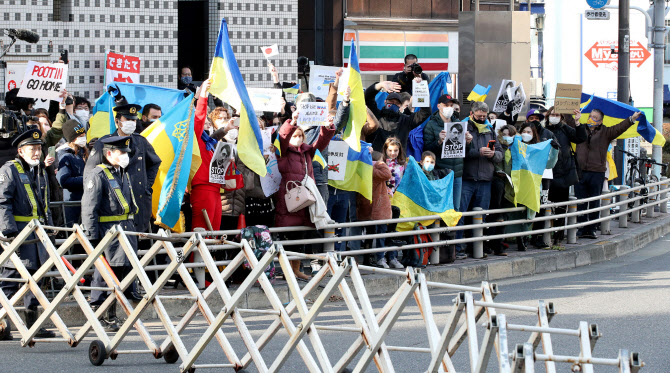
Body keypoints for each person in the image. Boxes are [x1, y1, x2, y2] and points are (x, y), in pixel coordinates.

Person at [0, 128, 56, 339]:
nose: (37, 153)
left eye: (39, 149)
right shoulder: (9, 170)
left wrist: (49, 229)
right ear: (20, 150)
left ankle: (34, 324)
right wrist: (9, 233)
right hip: (19, 233)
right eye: (32, 149)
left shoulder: (39, 170)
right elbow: (2, 202)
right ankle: (2, 323)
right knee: (12, 278)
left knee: (36, 278)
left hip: (38, 233)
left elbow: (44, 204)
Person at [82, 136, 139, 331]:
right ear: (108, 154)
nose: (125, 156)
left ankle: (112, 314)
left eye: (126, 152)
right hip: (108, 232)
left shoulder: (121, 172)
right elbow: (89, 208)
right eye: (121, 152)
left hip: (124, 230)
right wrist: (91, 237)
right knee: (105, 273)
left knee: (120, 272)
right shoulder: (98, 174)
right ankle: (99, 311)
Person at [85, 97, 161, 237]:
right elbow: (90, 174)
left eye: (133, 120)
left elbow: (155, 162)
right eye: (127, 120)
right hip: (113, 210)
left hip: (138, 204)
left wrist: (146, 186)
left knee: (139, 249)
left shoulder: (140, 141)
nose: (131, 123)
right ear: (117, 121)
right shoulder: (104, 143)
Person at [275, 110, 335, 280]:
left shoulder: (308, 151)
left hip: (306, 200)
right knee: (289, 237)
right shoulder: (284, 151)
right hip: (289, 200)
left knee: (301, 237)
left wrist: (328, 126)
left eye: (300, 135)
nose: (298, 138)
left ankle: (296, 270)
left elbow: (322, 141)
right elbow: (283, 137)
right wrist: (292, 122)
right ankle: (287, 271)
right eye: (295, 135)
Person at [575, 108, 641, 239]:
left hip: (597, 172)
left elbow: (619, 128)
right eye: (590, 116)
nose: (591, 119)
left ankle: (592, 228)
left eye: (594, 117)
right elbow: (569, 123)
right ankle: (581, 228)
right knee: (581, 201)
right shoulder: (581, 129)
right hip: (580, 171)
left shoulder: (606, 132)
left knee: (594, 201)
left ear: (600, 121)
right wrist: (575, 119)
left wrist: (632, 119)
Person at [455, 101, 503, 259]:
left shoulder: (490, 130)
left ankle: (477, 247)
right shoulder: (463, 128)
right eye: (479, 116)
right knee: (461, 214)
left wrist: (493, 155)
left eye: (484, 116)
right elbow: (457, 151)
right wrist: (477, 152)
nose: (482, 119)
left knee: (480, 216)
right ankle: (458, 247)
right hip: (467, 177)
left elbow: (500, 153)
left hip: (485, 179)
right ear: (472, 114)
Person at [503, 124, 559, 251]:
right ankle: (518, 237)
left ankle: (525, 236)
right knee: (516, 212)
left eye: (529, 132)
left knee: (529, 212)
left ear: (534, 134)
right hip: (517, 182)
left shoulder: (538, 149)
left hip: (532, 185)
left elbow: (549, 164)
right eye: (523, 131)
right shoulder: (515, 146)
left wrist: (554, 151)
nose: (525, 134)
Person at [545, 107, 587, 245]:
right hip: (546, 173)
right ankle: (541, 236)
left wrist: (577, 122)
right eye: (552, 114)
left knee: (561, 206)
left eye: (557, 115)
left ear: (561, 117)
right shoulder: (543, 129)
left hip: (563, 173)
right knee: (544, 206)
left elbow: (581, 138)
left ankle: (558, 235)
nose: (554, 117)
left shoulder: (565, 129)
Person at [364, 80, 431, 152]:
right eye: (391, 101)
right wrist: (380, 85)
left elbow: (425, 112)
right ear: (385, 102)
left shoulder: (406, 121)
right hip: (376, 161)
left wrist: (420, 88)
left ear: (400, 106)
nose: (393, 104)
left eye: (397, 103)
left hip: (397, 161)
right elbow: (368, 98)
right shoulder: (376, 115)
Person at [423, 95, 464, 210]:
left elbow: (465, 151)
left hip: (457, 174)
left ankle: (453, 229)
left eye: (451, 106)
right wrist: (439, 142)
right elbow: (427, 150)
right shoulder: (431, 125)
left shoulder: (458, 123)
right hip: (441, 173)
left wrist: (469, 142)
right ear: (439, 106)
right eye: (446, 105)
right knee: (440, 208)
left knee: (455, 208)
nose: (449, 108)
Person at [357, 151, 393, 268]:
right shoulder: (378, 170)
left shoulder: (366, 169)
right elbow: (388, 174)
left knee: (370, 233)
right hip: (378, 205)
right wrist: (380, 164)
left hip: (368, 204)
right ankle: (378, 258)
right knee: (379, 232)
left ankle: (369, 258)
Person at [486, 125, 518, 256]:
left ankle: (499, 246)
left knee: (504, 217)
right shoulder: (497, 146)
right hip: (497, 185)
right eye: (504, 134)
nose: (507, 137)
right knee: (495, 217)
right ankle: (491, 245)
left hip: (509, 187)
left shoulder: (517, 148)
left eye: (510, 135)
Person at [381, 137, 407, 268]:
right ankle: (380, 257)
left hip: (396, 198)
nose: (393, 153)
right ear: (386, 150)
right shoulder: (381, 162)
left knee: (393, 230)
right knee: (383, 229)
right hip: (383, 198)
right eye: (390, 150)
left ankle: (392, 257)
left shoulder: (402, 164)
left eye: (396, 150)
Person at [56, 120, 88, 227]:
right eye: (80, 136)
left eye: (84, 135)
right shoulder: (65, 155)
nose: (84, 138)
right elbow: (64, 181)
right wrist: (86, 180)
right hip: (73, 203)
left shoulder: (83, 151)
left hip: (85, 201)